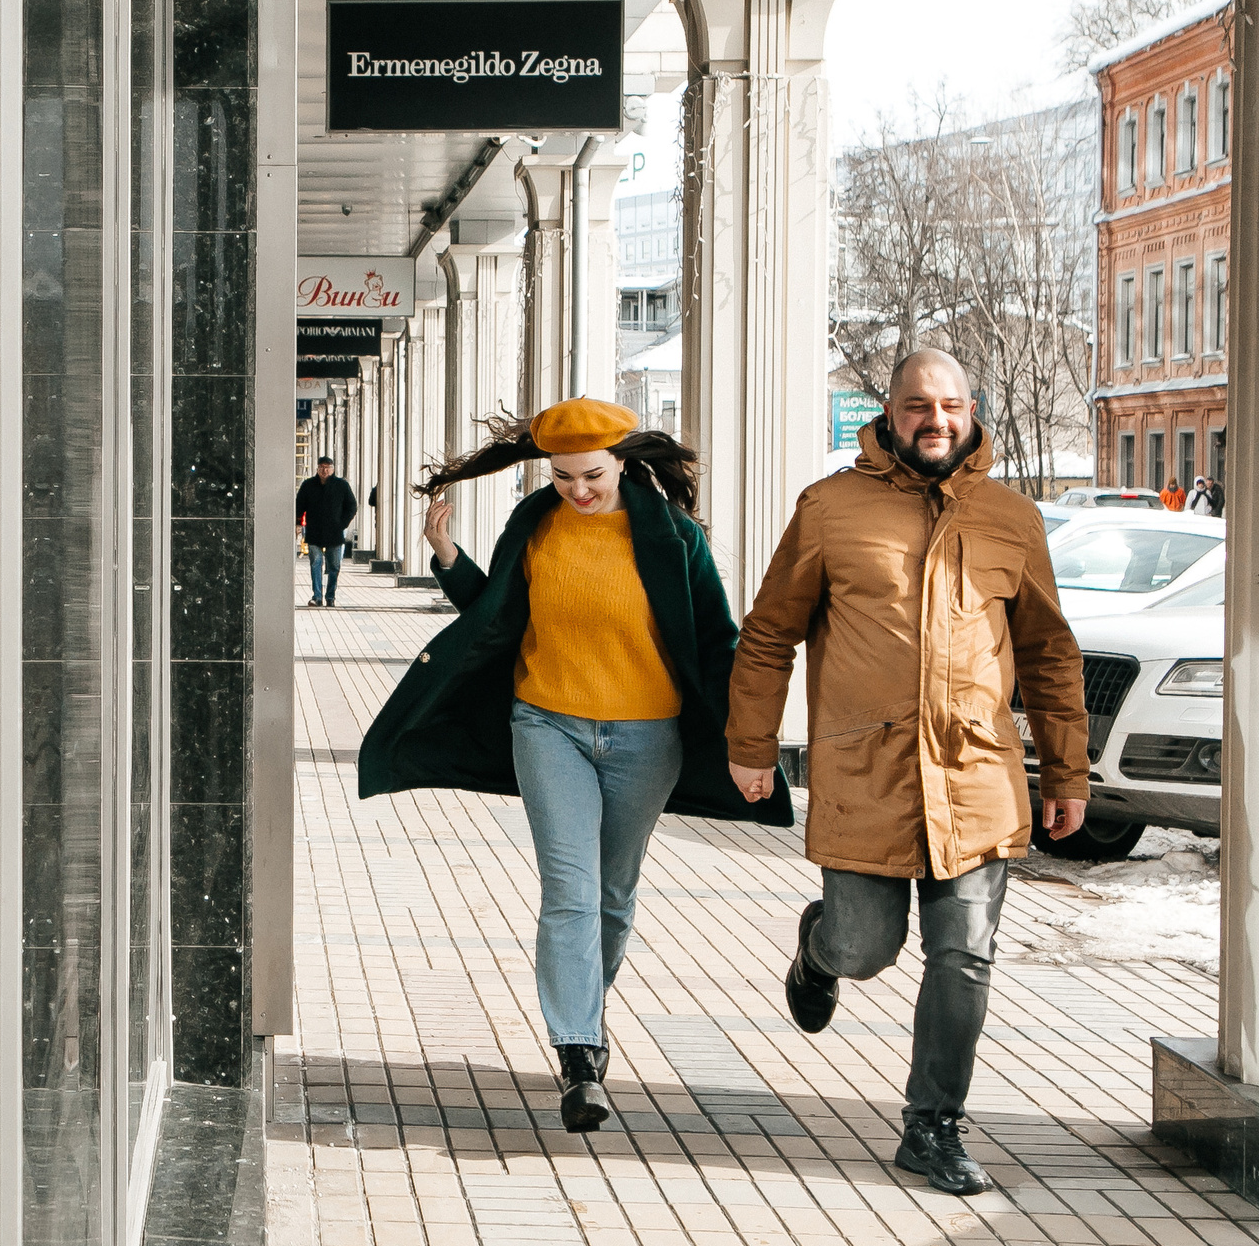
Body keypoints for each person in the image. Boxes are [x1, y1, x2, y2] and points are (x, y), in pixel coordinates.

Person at [358, 398, 791, 1131]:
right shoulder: (535, 525)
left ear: (623, 462)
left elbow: (717, 642)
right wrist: (445, 557)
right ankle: (580, 1050)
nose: (578, 490)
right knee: (570, 888)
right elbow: (493, 613)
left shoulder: (674, 537)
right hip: (546, 725)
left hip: (647, 739)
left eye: (590, 475)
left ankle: (583, 1005)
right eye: (562, 478)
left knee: (613, 897)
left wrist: (749, 744)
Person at [726, 349, 1088, 1196]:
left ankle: (933, 1125)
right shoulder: (829, 509)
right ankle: (819, 954)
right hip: (868, 777)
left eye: (952, 404)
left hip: (977, 777)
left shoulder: (1011, 519)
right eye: (919, 404)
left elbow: (1047, 650)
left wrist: (1066, 773)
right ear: (889, 412)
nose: (937, 419)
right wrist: (751, 748)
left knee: (963, 955)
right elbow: (771, 632)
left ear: (971, 412)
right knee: (865, 947)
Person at [297, 456, 359, 607]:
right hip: (314, 531)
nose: (324, 471)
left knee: (334, 566)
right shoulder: (308, 485)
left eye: (327, 468)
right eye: (321, 467)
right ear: (317, 468)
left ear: (332, 469)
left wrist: (342, 524)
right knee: (315, 563)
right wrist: (298, 523)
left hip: (334, 532)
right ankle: (317, 596)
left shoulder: (341, 485)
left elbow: (351, 506)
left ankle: (330, 596)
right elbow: (299, 505)